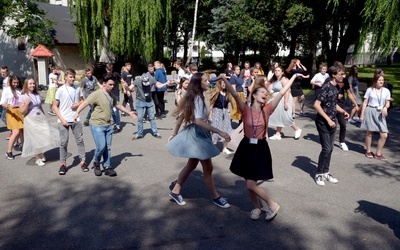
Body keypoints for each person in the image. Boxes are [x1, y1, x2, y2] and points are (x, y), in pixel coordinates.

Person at [222, 73, 299, 221]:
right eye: (262, 92)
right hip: (246, 147)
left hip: (259, 148)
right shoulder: (245, 109)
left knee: (251, 184)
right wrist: (224, 78)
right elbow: (233, 93)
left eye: (266, 93)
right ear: (254, 95)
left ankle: (272, 204)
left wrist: (294, 77)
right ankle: (257, 207)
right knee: (249, 183)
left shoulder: (268, 109)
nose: (265, 94)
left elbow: (282, 92)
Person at [166, 72, 231, 208]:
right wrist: (220, 132)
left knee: (192, 164)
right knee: (208, 168)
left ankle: (175, 191)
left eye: (208, 80)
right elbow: (199, 121)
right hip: (198, 135)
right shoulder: (197, 99)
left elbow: (182, 116)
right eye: (206, 81)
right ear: (199, 84)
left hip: (197, 134)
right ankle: (216, 197)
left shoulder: (196, 97)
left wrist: (174, 133)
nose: (208, 83)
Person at [74, 74, 137, 177]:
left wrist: (129, 112)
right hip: (97, 124)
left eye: (113, 84)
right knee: (101, 146)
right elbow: (85, 103)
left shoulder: (111, 95)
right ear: (103, 84)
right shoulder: (96, 94)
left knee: (107, 147)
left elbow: (118, 105)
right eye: (110, 84)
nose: (112, 87)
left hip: (108, 124)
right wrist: (77, 113)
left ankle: (107, 166)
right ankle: (97, 163)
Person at [313, 66, 349, 186]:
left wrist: (343, 111)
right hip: (323, 122)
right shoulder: (326, 87)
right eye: (341, 74)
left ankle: (326, 172)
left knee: (331, 148)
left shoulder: (336, 87)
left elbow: (333, 105)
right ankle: (318, 174)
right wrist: (328, 119)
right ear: (334, 74)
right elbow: (316, 105)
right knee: (326, 148)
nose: (343, 76)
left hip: (333, 121)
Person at [53, 68, 87, 175]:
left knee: (80, 140)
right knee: (63, 142)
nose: (73, 79)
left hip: (76, 118)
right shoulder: (60, 90)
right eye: (71, 77)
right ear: (66, 77)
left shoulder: (77, 89)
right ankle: (63, 164)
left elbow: (83, 101)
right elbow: (54, 106)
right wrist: (62, 119)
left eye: (74, 77)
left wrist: (78, 104)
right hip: (63, 119)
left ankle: (83, 161)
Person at [19, 78, 59, 166]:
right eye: (30, 84)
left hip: (40, 117)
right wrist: (26, 103)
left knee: (46, 134)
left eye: (33, 83)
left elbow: (40, 107)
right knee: (36, 138)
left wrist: (44, 116)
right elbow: (22, 112)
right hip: (31, 119)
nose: (32, 85)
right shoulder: (23, 96)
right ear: (26, 85)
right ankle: (37, 158)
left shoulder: (36, 94)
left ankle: (40, 153)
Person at [359, 73, 391, 161]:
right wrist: (362, 115)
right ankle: (368, 151)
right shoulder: (370, 90)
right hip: (370, 110)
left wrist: (385, 108)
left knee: (384, 134)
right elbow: (365, 103)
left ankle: (378, 153)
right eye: (379, 80)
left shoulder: (386, 91)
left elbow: (388, 102)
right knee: (369, 133)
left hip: (380, 112)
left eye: (382, 80)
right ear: (375, 81)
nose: (381, 82)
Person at [126, 73, 165, 140]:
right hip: (140, 101)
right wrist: (127, 91)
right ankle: (140, 134)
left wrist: (166, 83)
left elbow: (158, 86)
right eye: (144, 82)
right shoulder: (137, 80)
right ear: (141, 80)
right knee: (140, 119)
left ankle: (155, 132)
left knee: (152, 118)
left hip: (149, 101)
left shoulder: (151, 79)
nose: (146, 83)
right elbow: (130, 87)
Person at [268, 66, 302, 140]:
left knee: (286, 116)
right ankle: (277, 134)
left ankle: (297, 129)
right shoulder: (275, 80)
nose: (276, 72)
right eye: (275, 70)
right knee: (280, 116)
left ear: (282, 72)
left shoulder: (284, 79)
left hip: (283, 99)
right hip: (278, 100)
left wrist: (285, 102)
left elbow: (287, 90)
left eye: (278, 70)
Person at [0, 75, 23, 160]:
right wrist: (9, 106)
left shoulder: (20, 89)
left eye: (17, 82)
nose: (15, 84)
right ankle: (8, 151)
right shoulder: (7, 90)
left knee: (22, 131)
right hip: (11, 113)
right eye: (14, 82)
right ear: (10, 82)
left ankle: (24, 149)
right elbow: (2, 102)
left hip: (20, 111)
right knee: (16, 132)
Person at [209, 78, 234, 155]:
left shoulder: (227, 93)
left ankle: (225, 148)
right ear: (219, 83)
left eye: (225, 83)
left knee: (227, 129)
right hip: (217, 111)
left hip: (224, 112)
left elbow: (227, 105)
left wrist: (228, 112)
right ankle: (211, 147)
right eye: (223, 83)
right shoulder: (216, 93)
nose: (224, 84)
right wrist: (210, 115)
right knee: (215, 129)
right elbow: (211, 105)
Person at [104, 63, 122, 133]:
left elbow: (122, 81)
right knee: (111, 110)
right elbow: (103, 85)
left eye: (110, 69)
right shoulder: (105, 76)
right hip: (108, 95)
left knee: (116, 110)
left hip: (115, 94)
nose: (109, 71)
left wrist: (125, 88)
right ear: (106, 69)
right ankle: (115, 122)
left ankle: (118, 125)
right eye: (108, 69)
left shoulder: (116, 74)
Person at [1, 65, 12, 140]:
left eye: (4, 72)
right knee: (5, 117)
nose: (2, 74)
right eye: (1, 72)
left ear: (7, 72)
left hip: (8, 102)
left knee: (4, 118)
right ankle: (14, 131)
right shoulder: (4, 80)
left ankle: (13, 131)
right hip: (4, 101)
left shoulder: (8, 79)